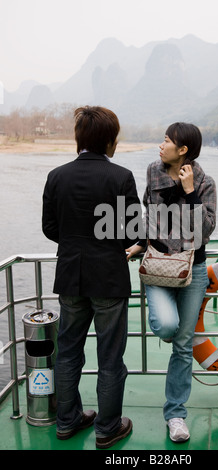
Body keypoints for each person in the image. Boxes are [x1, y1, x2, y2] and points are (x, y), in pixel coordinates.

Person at [42, 106, 142, 449]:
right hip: (109, 279)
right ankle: (107, 428)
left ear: (79, 138)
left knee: (68, 350)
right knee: (110, 356)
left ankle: (67, 422)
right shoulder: (121, 177)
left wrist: (75, 245)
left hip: (70, 275)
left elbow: (50, 228)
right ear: (108, 141)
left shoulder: (57, 176)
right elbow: (131, 232)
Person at [127, 122, 216, 443]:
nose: (160, 145)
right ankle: (170, 326)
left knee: (182, 345)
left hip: (193, 269)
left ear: (183, 150)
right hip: (157, 266)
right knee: (167, 326)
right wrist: (138, 243)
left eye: (166, 141)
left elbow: (203, 232)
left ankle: (175, 415)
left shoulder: (205, 182)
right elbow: (145, 215)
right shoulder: (153, 172)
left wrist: (190, 192)